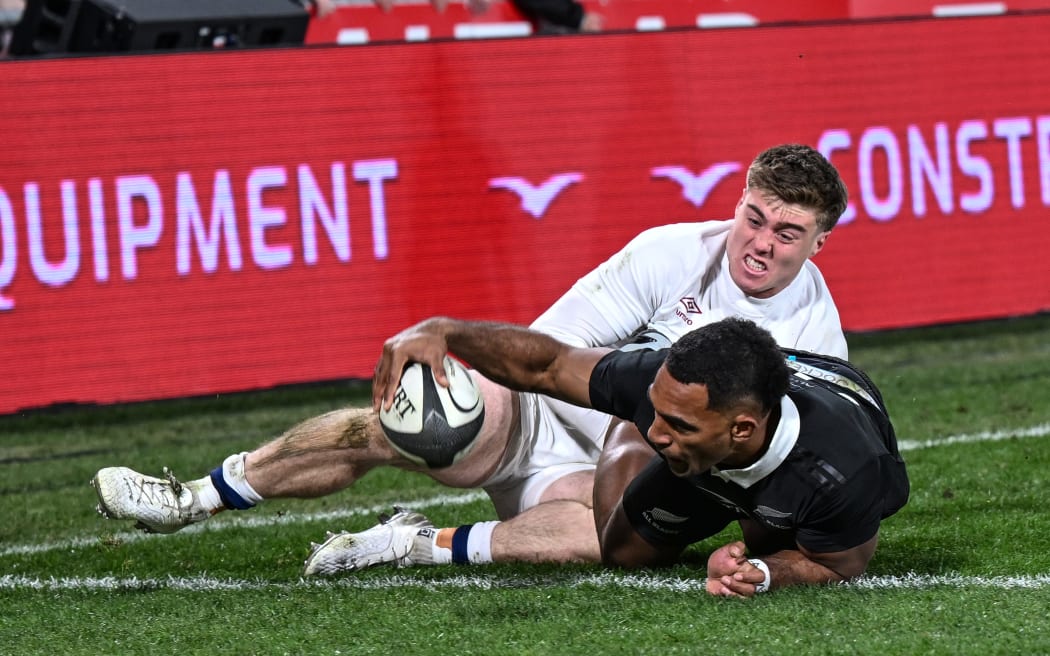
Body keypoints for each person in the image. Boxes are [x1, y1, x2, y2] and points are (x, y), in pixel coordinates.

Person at [90, 143, 849, 575]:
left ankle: (409, 543)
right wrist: (454, 347)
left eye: (787, 232)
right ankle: (193, 498)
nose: (760, 241)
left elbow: (764, 468)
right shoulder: (670, 253)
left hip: (615, 469)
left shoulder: (816, 343)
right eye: (754, 216)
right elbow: (551, 355)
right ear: (738, 202)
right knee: (417, 420)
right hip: (545, 413)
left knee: (619, 541)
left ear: (821, 241)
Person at [368, 316, 909, 596]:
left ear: (742, 428)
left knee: (779, 535)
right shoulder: (662, 387)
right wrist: (445, 331)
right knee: (623, 553)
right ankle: (626, 433)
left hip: (800, 457)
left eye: (677, 424)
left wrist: (765, 573)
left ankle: (753, 514)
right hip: (715, 455)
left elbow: (839, 565)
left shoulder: (846, 469)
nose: (659, 430)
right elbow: (549, 366)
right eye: (654, 412)